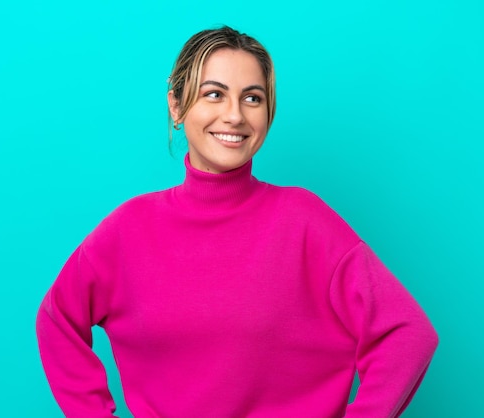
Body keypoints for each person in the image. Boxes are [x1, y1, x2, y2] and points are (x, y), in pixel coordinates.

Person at [36, 25, 438, 418]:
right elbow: (58, 320)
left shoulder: (305, 222)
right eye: (214, 94)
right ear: (176, 106)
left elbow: (408, 333)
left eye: (252, 98)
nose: (234, 116)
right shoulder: (129, 229)